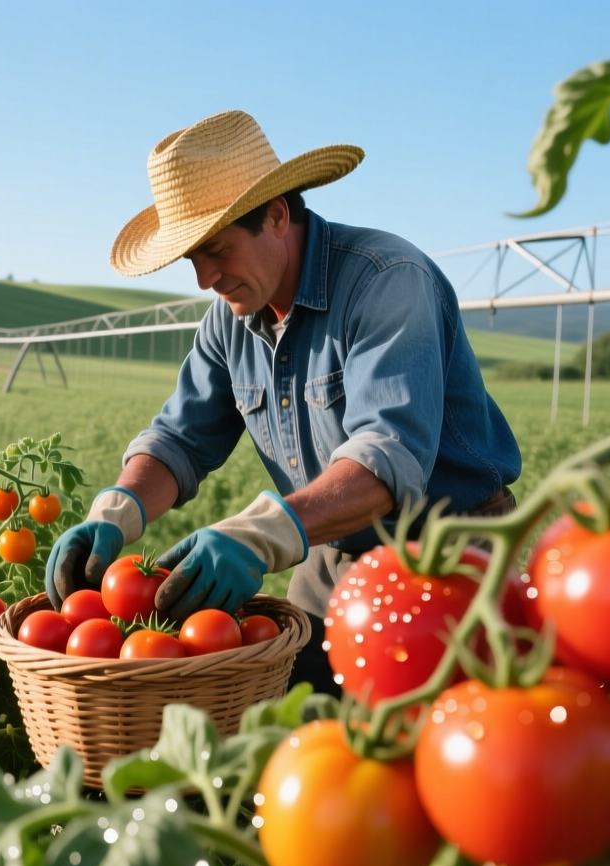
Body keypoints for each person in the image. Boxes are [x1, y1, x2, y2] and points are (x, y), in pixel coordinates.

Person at [45, 111, 522, 695]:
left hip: (446, 555)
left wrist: (262, 532)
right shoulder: (230, 320)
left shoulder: (385, 281)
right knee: (294, 721)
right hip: (329, 553)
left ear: (275, 216)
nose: (205, 279)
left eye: (216, 250)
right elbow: (180, 440)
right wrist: (117, 509)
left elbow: (387, 460)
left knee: (423, 731)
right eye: (192, 259)